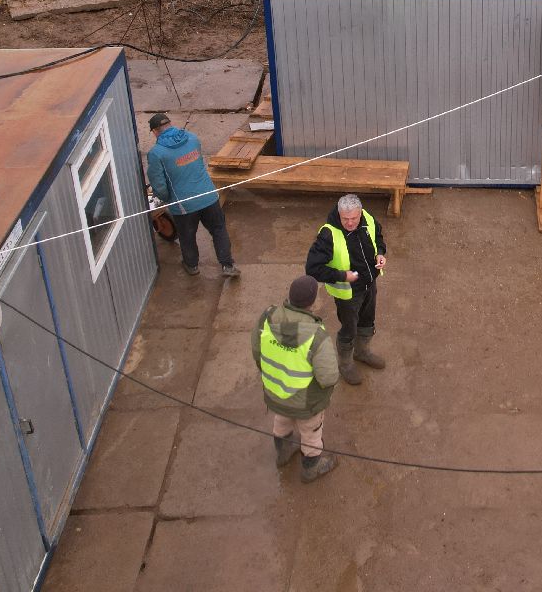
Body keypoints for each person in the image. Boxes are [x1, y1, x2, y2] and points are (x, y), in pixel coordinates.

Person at [253, 275, 339, 483]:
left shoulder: (267, 317)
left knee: (281, 419)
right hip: (306, 402)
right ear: (312, 302)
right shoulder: (316, 336)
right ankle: (311, 468)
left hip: (275, 392)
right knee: (311, 433)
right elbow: (328, 377)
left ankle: (283, 453)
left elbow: (257, 352)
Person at [305, 193, 387, 386]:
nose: (350, 223)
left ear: (360, 213)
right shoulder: (328, 234)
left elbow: (378, 235)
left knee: (367, 320)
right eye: (345, 219)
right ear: (339, 214)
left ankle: (362, 352)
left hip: (369, 283)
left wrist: (381, 254)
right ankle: (345, 364)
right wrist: (342, 276)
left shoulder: (367, 218)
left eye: (354, 218)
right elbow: (312, 268)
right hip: (348, 293)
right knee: (349, 328)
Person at [145, 112, 239, 278]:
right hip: (209, 196)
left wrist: (167, 199)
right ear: (170, 124)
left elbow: (158, 184)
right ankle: (227, 265)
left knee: (187, 236)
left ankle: (192, 265)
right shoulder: (192, 138)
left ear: (155, 131)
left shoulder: (156, 153)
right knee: (218, 229)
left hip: (184, 205)